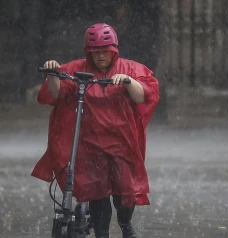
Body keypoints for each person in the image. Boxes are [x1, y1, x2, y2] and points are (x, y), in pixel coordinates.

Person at [31, 23, 160, 238]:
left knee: (124, 195)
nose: (101, 57)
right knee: (98, 196)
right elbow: (56, 94)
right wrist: (54, 74)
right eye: (96, 52)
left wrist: (128, 82)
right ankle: (102, 234)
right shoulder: (77, 69)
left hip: (122, 144)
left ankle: (126, 226)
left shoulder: (131, 69)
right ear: (88, 52)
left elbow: (144, 95)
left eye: (105, 52)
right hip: (91, 144)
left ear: (114, 50)